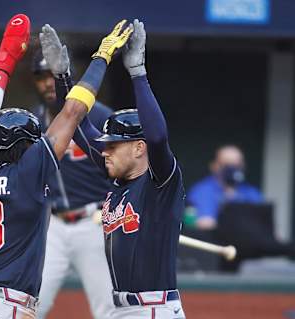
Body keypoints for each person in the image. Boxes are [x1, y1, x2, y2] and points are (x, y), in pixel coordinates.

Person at [0, 14, 132, 319]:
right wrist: (101, 57)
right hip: (6, 305)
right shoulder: (27, 171)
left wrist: (5, 58)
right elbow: (73, 112)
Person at [41, 20, 186, 318]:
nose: (104, 150)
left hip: (154, 309)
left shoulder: (160, 182)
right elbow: (79, 126)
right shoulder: (117, 179)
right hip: (122, 309)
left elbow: (157, 136)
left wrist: (138, 74)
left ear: (138, 147)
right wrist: (62, 80)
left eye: (113, 145)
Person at [31, 45, 115, 318]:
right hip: (52, 225)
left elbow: (125, 170)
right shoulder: (32, 121)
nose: (47, 83)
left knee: (109, 307)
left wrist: (115, 208)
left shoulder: (101, 116)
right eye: (41, 76)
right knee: (31, 303)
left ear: (68, 78)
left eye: (52, 75)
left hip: (94, 221)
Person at [187, 145, 263, 230]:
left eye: (237, 165)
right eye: (227, 164)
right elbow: (203, 222)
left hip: (246, 241)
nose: (232, 169)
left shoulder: (251, 193)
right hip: (213, 241)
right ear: (214, 165)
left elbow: (263, 226)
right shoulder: (202, 191)